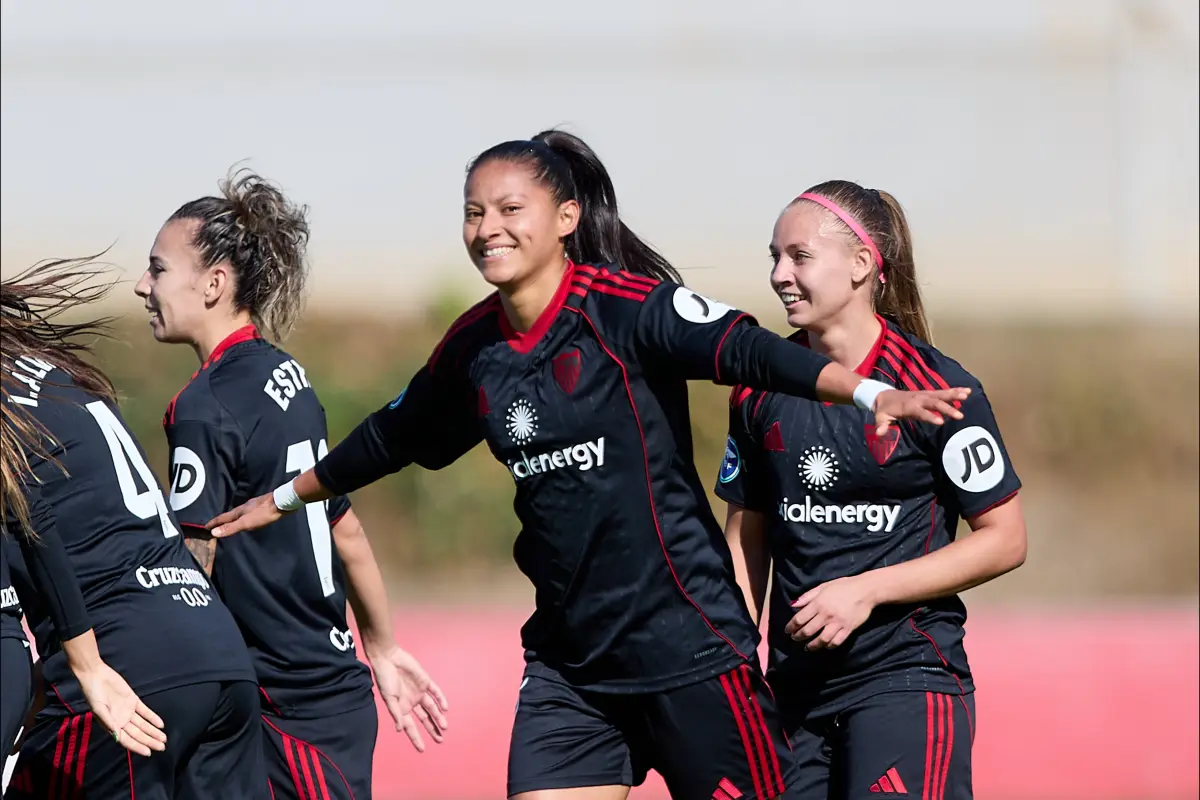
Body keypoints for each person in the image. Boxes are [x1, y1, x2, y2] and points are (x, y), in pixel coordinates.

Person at [207, 131, 971, 800]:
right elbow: (393, 435)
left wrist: (870, 391)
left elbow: (751, 349)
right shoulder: (476, 347)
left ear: (566, 219)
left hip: (691, 652)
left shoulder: (630, 309)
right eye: (474, 212)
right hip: (570, 668)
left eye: (511, 210)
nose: (488, 229)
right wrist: (284, 498)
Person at [133, 169, 449, 800]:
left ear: (215, 283)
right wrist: (380, 648)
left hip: (285, 704)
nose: (143, 286)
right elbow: (344, 526)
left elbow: (193, 560)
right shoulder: (287, 375)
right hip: (334, 685)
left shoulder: (203, 404)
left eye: (158, 269)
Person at [714, 181, 1028, 799]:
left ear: (863, 264)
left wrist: (864, 592)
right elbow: (745, 544)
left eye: (799, 256)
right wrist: (727, 665)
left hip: (906, 679)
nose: (780, 274)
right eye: (774, 257)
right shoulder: (757, 388)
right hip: (793, 691)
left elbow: (1005, 539)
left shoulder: (935, 386)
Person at [1, 259, 267, 798]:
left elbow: (34, 521)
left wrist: (88, 668)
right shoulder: (54, 374)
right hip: (217, 652)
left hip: (125, 672)